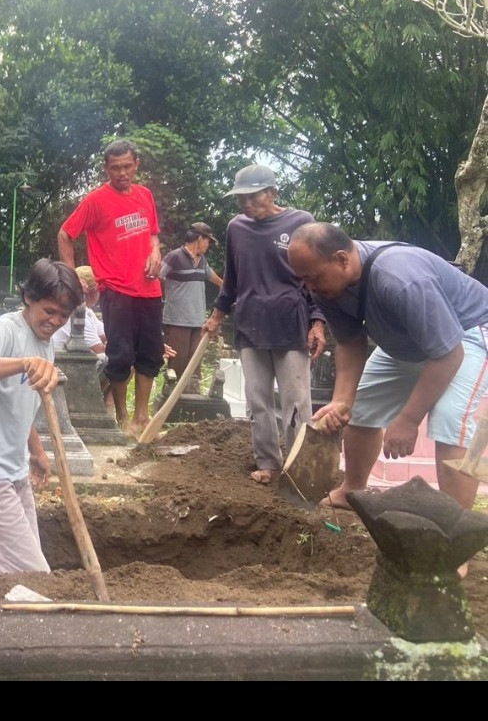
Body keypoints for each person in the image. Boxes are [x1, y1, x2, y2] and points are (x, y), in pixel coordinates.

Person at [287, 222, 488, 517]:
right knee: (362, 408)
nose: (309, 287)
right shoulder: (326, 287)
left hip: (468, 332)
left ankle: (454, 532)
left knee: (450, 419)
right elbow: (350, 342)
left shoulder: (399, 278)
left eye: (313, 277)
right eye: (303, 279)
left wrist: (408, 420)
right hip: (409, 340)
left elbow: (448, 354)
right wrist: (341, 401)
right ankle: (352, 490)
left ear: (341, 259)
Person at [0, 259, 83, 574]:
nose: (55, 322)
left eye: (63, 316)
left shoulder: (46, 343)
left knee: (26, 566)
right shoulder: (5, 329)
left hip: (13, 468)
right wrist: (23, 362)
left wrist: (36, 452)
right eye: (49, 311)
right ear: (29, 298)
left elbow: (17, 405)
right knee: (33, 578)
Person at [201, 165, 325, 484]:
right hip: (251, 323)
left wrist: (318, 322)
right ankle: (268, 462)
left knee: (296, 400)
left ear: (272, 193)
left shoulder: (301, 222)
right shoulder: (236, 228)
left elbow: (316, 278)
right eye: (240, 198)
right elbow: (231, 279)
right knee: (257, 399)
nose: (245, 204)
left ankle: (301, 468)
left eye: (252, 196)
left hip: (290, 323)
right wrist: (217, 315)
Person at [57, 139, 163, 433]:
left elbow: (153, 234)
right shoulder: (95, 200)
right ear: (106, 168)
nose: (122, 173)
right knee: (120, 354)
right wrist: (71, 275)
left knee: (151, 353)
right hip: (116, 289)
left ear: (136, 165)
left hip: (150, 288)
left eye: (127, 166)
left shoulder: (145, 196)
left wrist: (155, 253)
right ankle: (123, 417)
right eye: (115, 168)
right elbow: (65, 234)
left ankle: (142, 418)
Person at [161, 224, 221, 386]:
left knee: (195, 365)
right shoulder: (174, 256)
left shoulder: (202, 260)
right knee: (177, 364)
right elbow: (157, 276)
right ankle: (173, 402)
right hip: (177, 320)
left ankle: (193, 400)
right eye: (208, 241)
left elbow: (211, 276)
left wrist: (225, 287)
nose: (208, 245)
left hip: (198, 321)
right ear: (200, 238)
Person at [51, 265, 106, 354]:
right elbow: (100, 350)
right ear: (95, 290)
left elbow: (106, 334)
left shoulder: (88, 311)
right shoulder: (78, 313)